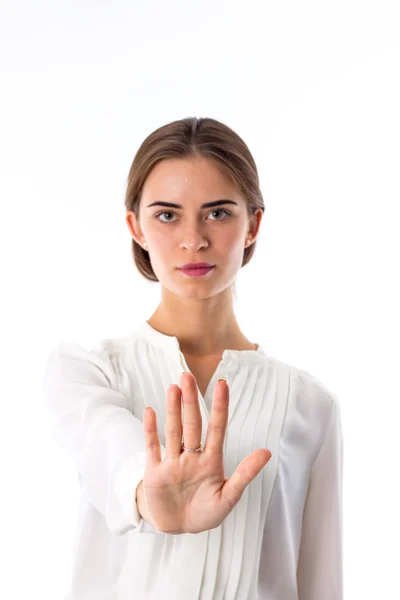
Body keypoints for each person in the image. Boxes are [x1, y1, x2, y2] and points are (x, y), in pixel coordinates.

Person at [41, 116, 343, 599]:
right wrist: (146, 492)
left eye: (218, 213)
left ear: (253, 224)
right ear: (135, 226)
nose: (193, 239)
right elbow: (105, 445)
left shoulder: (311, 403)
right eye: (167, 215)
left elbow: (321, 580)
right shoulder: (89, 372)